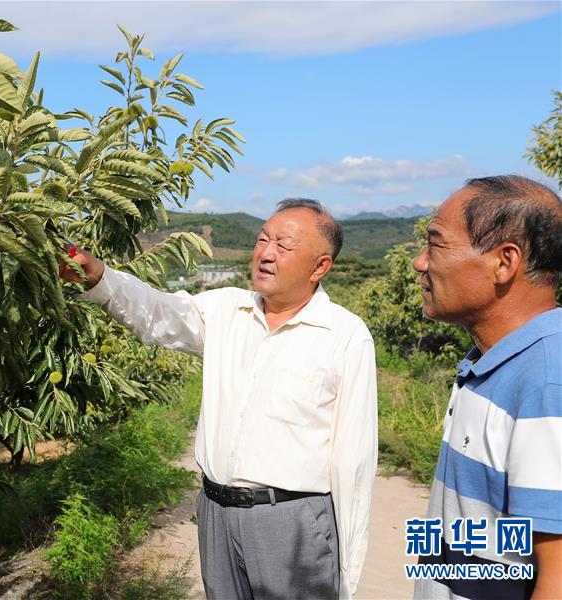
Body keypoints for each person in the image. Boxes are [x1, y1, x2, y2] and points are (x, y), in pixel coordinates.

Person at [61, 199, 377, 599]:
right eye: (263, 239)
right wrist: (99, 277)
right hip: (216, 513)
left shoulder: (344, 335)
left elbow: (355, 461)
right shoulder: (226, 309)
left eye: (283, 246)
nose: (265, 253)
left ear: (320, 267)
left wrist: (347, 576)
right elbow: (157, 313)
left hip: (292, 522)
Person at [411, 175, 562, 600]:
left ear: (503, 262)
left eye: (436, 244)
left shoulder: (547, 381)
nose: (420, 263)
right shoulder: (494, 360)